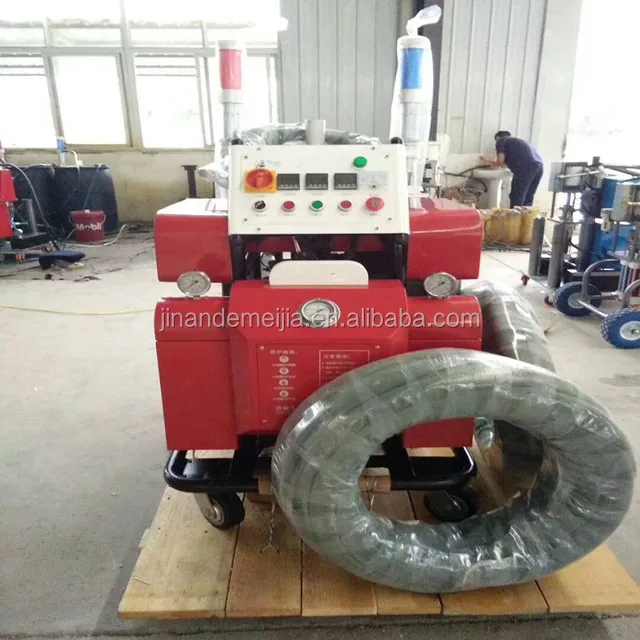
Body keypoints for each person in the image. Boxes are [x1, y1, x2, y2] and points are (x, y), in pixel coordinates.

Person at [480, 131, 544, 208]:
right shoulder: (517, 144)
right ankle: (526, 215)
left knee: (517, 196)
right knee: (528, 197)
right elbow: (503, 165)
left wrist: (488, 162)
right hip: (539, 166)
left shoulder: (501, 140)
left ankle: (514, 215)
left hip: (525, 167)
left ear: (497, 138)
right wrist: (493, 163)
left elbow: (500, 161)